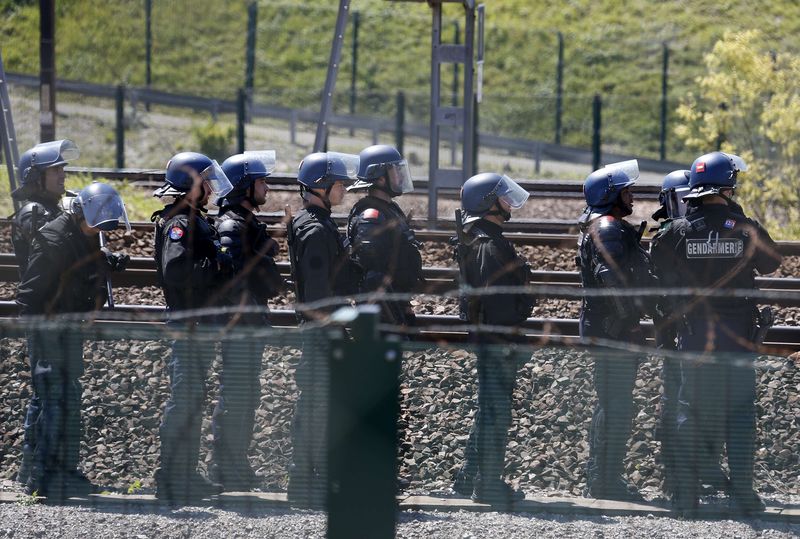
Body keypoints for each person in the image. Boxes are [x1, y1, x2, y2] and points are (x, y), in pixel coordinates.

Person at [651, 151, 782, 515]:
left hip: (695, 337)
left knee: (690, 411)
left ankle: (686, 495)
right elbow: (772, 262)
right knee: (739, 413)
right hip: (738, 336)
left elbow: (657, 269)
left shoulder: (675, 231)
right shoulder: (745, 228)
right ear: (729, 185)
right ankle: (743, 494)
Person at [16, 181, 130, 501]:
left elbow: (79, 268)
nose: (99, 231)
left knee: (64, 400)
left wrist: (104, 260)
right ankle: (44, 477)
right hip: (52, 331)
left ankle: (54, 472)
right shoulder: (54, 238)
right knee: (54, 401)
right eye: (96, 225)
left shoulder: (84, 233)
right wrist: (43, 336)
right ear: (81, 213)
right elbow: (29, 295)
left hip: (68, 329)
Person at [151, 151, 234, 504]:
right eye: (206, 181)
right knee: (183, 401)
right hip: (188, 325)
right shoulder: (179, 223)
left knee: (193, 400)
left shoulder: (193, 218)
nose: (212, 189)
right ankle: (171, 477)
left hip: (198, 325)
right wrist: (216, 264)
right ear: (191, 185)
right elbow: (176, 272)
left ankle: (186, 473)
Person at [450, 173, 536, 508]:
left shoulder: (487, 238)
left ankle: (469, 477)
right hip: (497, 341)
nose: (509, 201)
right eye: (502, 196)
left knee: (490, 409)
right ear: (488, 203)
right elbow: (497, 302)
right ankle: (487, 485)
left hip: (494, 338)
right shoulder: (488, 243)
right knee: (495, 413)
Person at [286, 151, 360, 507]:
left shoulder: (316, 222)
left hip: (322, 328)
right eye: (340, 183)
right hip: (320, 331)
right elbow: (317, 295)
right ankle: (304, 483)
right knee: (316, 408)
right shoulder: (315, 229)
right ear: (321, 186)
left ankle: (312, 480)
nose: (344, 188)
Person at [576, 160, 653, 502]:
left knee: (612, 403)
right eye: (626, 191)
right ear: (612, 196)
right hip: (613, 330)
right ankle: (604, 480)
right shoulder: (607, 227)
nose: (632, 196)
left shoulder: (607, 224)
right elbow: (611, 281)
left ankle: (602, 476)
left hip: (609, 327)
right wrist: (631, 321)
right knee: (615, 404)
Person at [207, 151, 285, 491]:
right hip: (240, 328)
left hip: (251, 324)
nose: (266, 187)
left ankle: (236, 462)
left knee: (247, 395)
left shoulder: (246, 223)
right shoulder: (231, 225)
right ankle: (223, 466)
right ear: (244, 186)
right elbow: (233, 280)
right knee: (236, 395)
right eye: (261, 181)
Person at [649, 170, 728, 499]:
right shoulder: (669, 232)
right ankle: (678, 478)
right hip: (676, 332)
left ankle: (703, 469)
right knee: (677, 405)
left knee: (706, 406)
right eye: (677, 199)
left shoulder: (689, 229)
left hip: (696, 331)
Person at [10, 139, 79, 486]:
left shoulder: (50, 210)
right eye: (56, 170)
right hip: (47, 313)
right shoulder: (34, 214)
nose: (63, 174)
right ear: (37, 176)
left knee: (59, 393)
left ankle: (53, 471)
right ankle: (37, 473)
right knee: (48, 393)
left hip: (60, 311)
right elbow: (50, 261)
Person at [345, 145, 423, 329]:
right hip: (381, 311)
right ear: (380, 178)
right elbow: (373, 274)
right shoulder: (371, 215)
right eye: (395, 171)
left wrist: (404, 304)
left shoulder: (390, 208)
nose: (401, 176)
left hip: (394, 301)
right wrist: (392, 315)